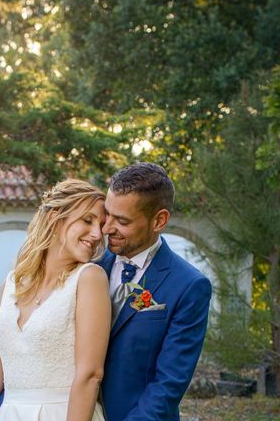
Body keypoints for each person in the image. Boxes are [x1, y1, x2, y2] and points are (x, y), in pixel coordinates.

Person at [0, 179, 111, 421]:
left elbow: (91, 374)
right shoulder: (11, 283)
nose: (97, 234)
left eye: (101, 225)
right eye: (87, 220)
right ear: (55, 218)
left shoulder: (89, 278)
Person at [98, 162, 212, 421]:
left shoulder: (190, 286)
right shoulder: (90, 265)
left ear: (159, 220)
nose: (106, 228)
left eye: (122, 221)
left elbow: (169, 383)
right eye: (108, 215)